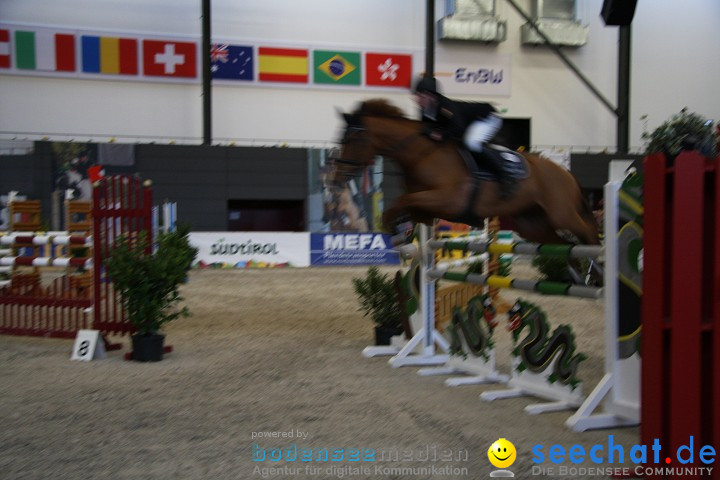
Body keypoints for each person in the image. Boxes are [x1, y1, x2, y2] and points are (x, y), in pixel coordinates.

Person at [412, 75, 516, 198]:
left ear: (431, 96)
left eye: (421, 96)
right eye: (417, 96)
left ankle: (505, 176)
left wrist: (441, 135)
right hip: (469, 124)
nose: (418, 100)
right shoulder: (425, 111)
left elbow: (458, 130)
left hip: (487, 117)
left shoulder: (445, 107)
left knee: (471, 142)